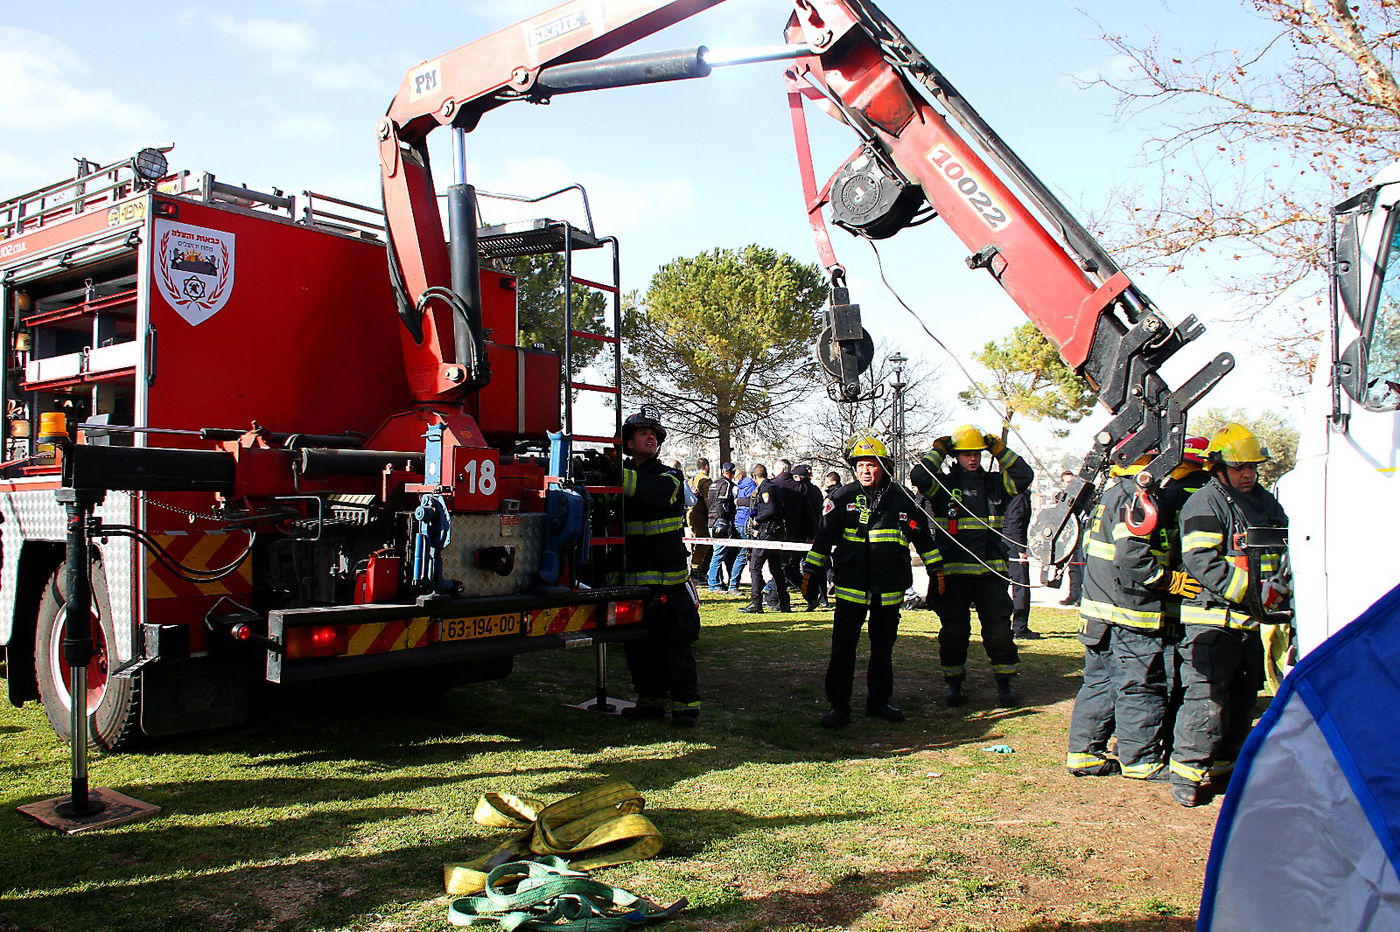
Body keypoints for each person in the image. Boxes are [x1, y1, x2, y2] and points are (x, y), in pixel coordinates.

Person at [1169, 423, 1289, 807]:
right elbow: (1201, 560)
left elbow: (1284, 550)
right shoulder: (1205, 502)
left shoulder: (1265, 502)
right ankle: (1187, 772)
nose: (1249, 474)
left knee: (1243, 699)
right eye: (1240, 467)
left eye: (1253, 466)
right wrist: (1253, 594)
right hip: (1212, 621)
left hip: (1252, 623)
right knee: (1206, 699)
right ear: (1218, 467)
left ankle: (1226, 768)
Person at [804, 435, 943, 727]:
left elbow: (922, 538)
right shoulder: (840, 498)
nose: (865, 471)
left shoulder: (902, 498)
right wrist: (810, 572)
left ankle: (879, 701)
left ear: (884, 466)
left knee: (883, 648)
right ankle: (838, 706)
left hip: (888, 589)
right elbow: (823, 538)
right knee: (843, 648)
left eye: (871, 465)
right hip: (851, 587)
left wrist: (936, 572)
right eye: (860, 465)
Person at [911, 424, 1033, 708]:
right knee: (954, 632)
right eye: (966, 454)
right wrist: (938, 450)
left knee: (999, 631)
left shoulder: (995, 483)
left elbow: (1024, 475)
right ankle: (954, 684)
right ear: (956, 456)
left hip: (990, 573)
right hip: (954, 573)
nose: (973, 458)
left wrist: (999, 449)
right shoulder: (942, 485)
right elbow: (919, 475)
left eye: (976, 453)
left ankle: (1004, 683)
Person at [618, 411, 701, 726]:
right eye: (642, 433)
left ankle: (686, 707)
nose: (650, 436)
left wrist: (612, 474)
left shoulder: (669, 477)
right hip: (631, 579)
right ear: (628, 441)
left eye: (654, 433)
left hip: (667, 581)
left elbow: (649, 491)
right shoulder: (623, 475)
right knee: (637, 646)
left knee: (674, 644)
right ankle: (650, 702)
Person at [741, 464, 790, 613]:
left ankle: (756, 603)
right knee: (776, 569)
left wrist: (757, 519)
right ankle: (784, 603)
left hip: (767, 533)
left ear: (755, 476)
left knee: (755, 566)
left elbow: (770, 509)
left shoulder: (765, 489)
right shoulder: (775, 487)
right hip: (777, 533)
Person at [1005, 488, 1038, 639]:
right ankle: (1020, 627)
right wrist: (1020, 549)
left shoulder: (1007, 492)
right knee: (1021, 588)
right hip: (1012, 546)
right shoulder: (1018, 497)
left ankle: (1003, 625)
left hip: (1003, 544)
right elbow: (1014, 523)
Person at [706, 462, 738, 592]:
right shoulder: (727, 485)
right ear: (732, 473)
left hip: (711, 521)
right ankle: (714, 584)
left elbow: (709, 502)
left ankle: (718, 582)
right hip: (720, 523)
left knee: (719, 553)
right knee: (718, 555)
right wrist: (723, 520)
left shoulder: (714, 484)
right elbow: (721, 503)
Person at [1059, 469, 1085, 605]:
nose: (1070, 485)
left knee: (1083, 567)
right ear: (1063, 483)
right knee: (1073, 568)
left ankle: (1083, 596)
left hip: (1082, 535)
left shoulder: (1082, 497)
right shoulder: (1061, 498)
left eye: (1072, 482)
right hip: (1069, 536)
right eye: (1068, 482)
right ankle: (1074, 595)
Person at [687, 458, 713, 582]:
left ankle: (696, 568)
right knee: (703, 544)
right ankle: (696, 570)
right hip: (700, 515)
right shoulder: (705, 480)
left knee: (696, 543)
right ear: (707, 466)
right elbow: (709, 500)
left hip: (691, 513)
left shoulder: (691, 479)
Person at [731, 467, 755, 592]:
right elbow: (753, 503)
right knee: (743, 554)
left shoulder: (738, 488)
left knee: (749, 555)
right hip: (746, 522)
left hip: (738, 520)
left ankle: (758, 583)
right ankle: (733, 585)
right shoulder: (751, 486)